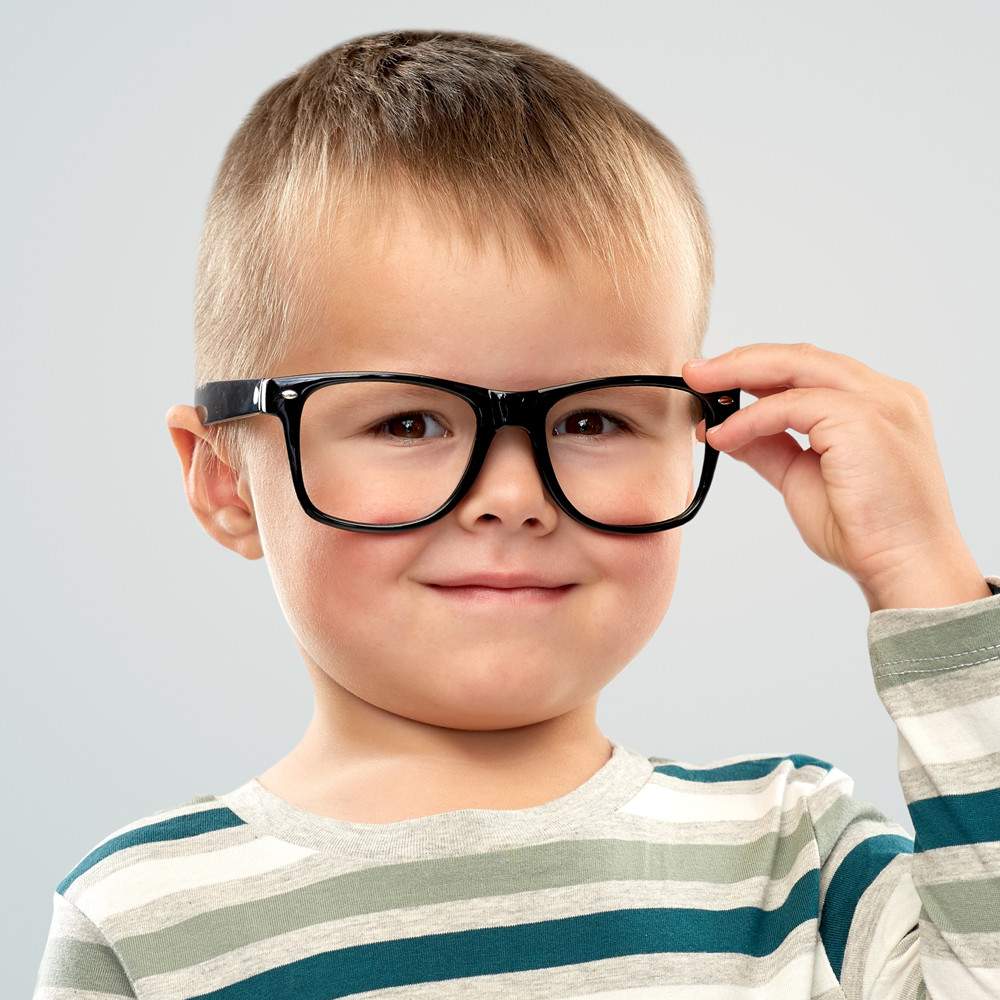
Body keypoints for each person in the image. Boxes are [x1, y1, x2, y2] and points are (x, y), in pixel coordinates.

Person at [32, 28, 1000, 999]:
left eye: (591, 417)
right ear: (224, 483)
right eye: (408, 420)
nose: (513, 498)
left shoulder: (799, 853)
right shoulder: (143, 921)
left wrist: (922, 576)